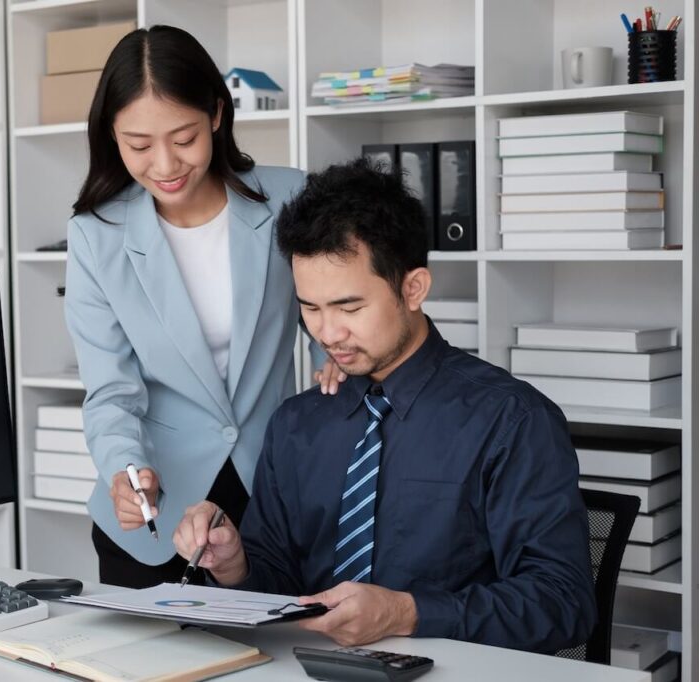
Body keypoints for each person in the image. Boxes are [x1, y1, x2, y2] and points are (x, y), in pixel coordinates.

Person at [172, 157, 597, 652]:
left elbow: (563, 603)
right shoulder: (295, 425)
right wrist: (234, 565)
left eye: (350, 307)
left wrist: (405, 613)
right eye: (310, 308)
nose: (328, 333)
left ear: (413, 288)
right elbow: (278, 587)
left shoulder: (511, 420)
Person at [64, 25, 334, 588]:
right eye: (139, 146)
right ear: (112, 136)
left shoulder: (289, 197)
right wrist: (125, 469)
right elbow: (110, 388)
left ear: (215, 114)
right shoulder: (96, 234)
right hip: (156, 512)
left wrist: (330, 358)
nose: (165, 165)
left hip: (271, 489)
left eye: (183, 138)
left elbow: (334, 305)